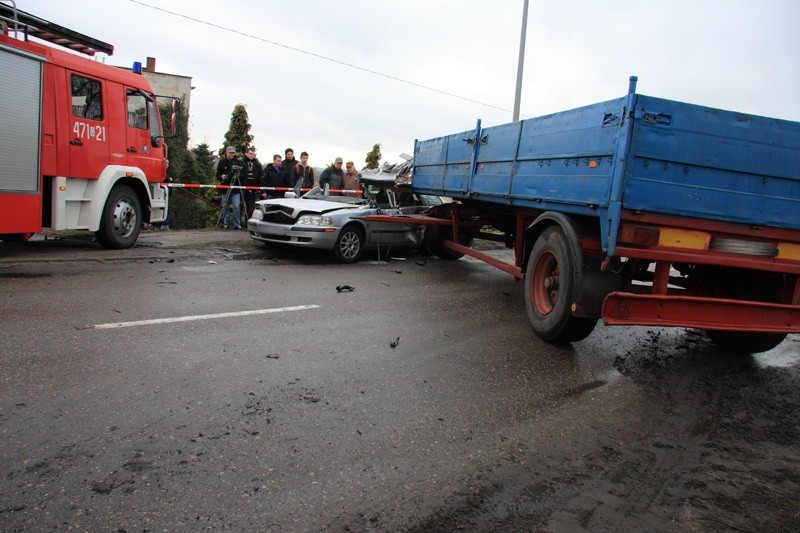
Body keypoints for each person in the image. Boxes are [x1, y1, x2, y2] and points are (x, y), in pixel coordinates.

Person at [216, 146, 246, 229]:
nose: (232, 154)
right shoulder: (222, 162)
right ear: (226, 152)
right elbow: (217, 175)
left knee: (236, 206)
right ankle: (226, 223)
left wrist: (239, 175)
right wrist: (221, 177)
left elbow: (243, 173)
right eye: (230, 152)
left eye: (233, 152)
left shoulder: (238, 162)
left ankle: (237, 224)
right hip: (225, 188)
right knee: (225, 206)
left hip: (235, 188)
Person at [242, 146, 263, 221]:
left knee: (251, 206)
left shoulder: (257, 163)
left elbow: (261, 176)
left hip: (253, 187)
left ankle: (249, 222)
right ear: (246, 153)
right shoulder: (241, 162)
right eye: (250, 154)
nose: (252, 155)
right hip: (242, 187)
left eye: (253, 154)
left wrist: (259, 188)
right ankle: (239, 224)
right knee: (241, 205)